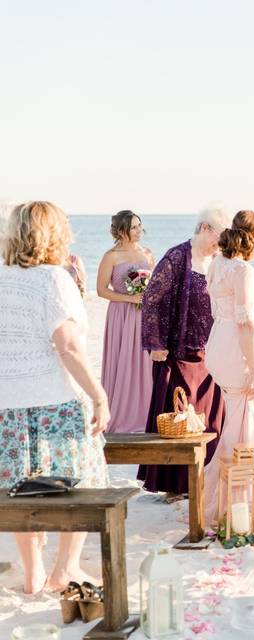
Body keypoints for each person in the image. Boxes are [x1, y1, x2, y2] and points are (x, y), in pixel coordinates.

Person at [0, 201, 109, 594]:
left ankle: (32, 575)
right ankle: (64, 569)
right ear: (54, 235)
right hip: (53, 398)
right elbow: (67, 345)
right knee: (80, 485)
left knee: (18, 487)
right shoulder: (53, 279)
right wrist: (98, 395)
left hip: (5, 407)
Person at [137, 205, 231, 497]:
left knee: (210, 417)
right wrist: (155, 343)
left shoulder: (218, 260)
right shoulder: (177, 256)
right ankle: (173, 487)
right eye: (218, 236)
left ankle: (203, 479)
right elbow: (152, 298)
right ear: (204, 228)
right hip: (177, 352)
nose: (220, 243)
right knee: (178, 415)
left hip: (210, 351)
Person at [202, 211, 254, 525]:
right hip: (237, 350)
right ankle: (234, 506)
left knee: (236, 422)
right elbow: (246, 322)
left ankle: (226, 499)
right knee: (245, 429)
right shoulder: (242, 269)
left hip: (219, 343)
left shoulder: (218, 263)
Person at [97, 210, 155, 433]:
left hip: (144, 314)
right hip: (120, 315)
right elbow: (101, 290)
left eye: (140, 226)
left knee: (144, 363)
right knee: (122, 361)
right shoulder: (111, 256)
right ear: (121, 230)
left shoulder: (148, 254)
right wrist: (129, 298)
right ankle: (120, 415)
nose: (139, 231)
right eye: (133, 227)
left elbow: (154, 284)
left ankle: (145, 414)